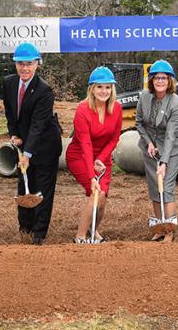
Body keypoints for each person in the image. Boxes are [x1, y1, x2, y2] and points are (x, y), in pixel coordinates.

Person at [3, 42, 62, 245]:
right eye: (20, 63)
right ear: (15, 64)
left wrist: (27, 154)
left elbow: (38, 125)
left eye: (29, 63)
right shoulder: (9, 83)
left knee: (42, 190)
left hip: (45, 146)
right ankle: (25, 228)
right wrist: (14, 134)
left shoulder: (44, 90)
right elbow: (11, 114)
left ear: (37, 64)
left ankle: (39, 233)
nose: (24, 68)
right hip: (24, 144)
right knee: (24, 186)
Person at [66, 66, 122, 244]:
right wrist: (91, 175)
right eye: (99, 87)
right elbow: (85, 143)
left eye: (107, 87)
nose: (104, 91)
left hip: (102, 157)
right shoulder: (82, 110)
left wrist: (100, 159)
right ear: (92, 88)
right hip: (80, 156)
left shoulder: (117, 108)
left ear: (112, 89)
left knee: (103, 196)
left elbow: (114, 138)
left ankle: (94, 230)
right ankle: (80, 237)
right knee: (95, 192)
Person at [135, 60, 178, 242]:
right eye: (156, 77)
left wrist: (164, 162)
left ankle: (170, 231)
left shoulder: (176, 103)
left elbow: (171, 135)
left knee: (167, 186)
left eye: (164, 78)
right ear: (151, 80)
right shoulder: (144, 97)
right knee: (155, 187)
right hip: (151, 148)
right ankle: (159, 227)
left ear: (170, 80)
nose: (160, 81)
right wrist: (148, 143)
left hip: (171, 148)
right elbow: (139, 122)